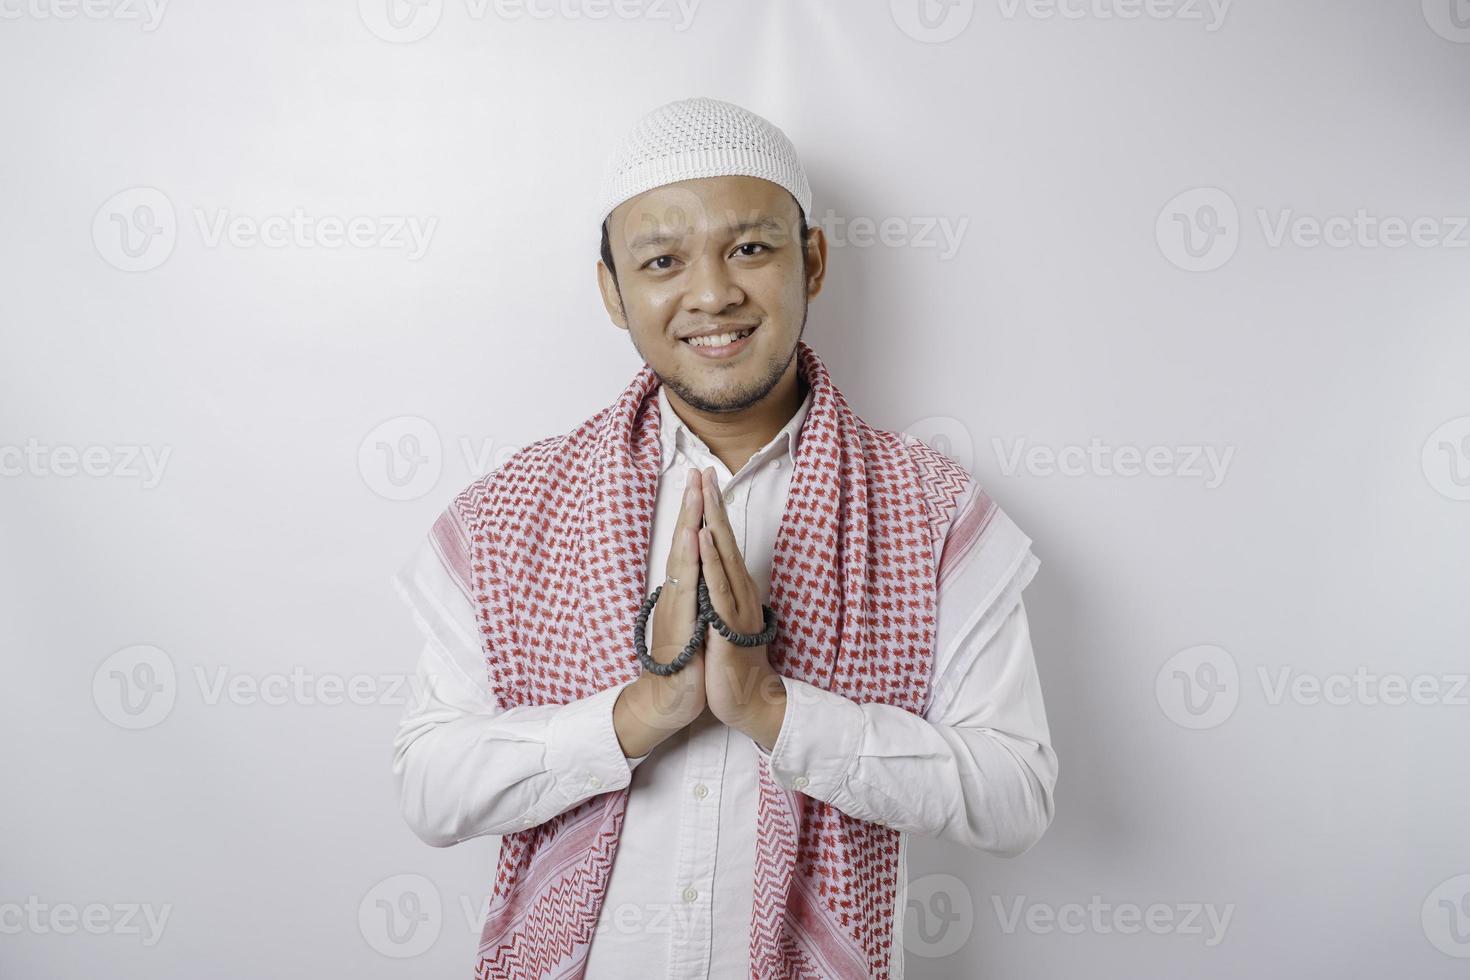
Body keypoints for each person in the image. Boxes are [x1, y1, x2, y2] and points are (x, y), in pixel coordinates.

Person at [390, 96, 1057, 980]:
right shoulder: (516, 512)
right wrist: (641, 713)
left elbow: (1017, 796)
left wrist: (778, 713)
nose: (712, 293)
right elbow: (430, 790)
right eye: (662, 259)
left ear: (811, 261)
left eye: (750, 247)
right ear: (612, 291)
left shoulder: (928, 511)